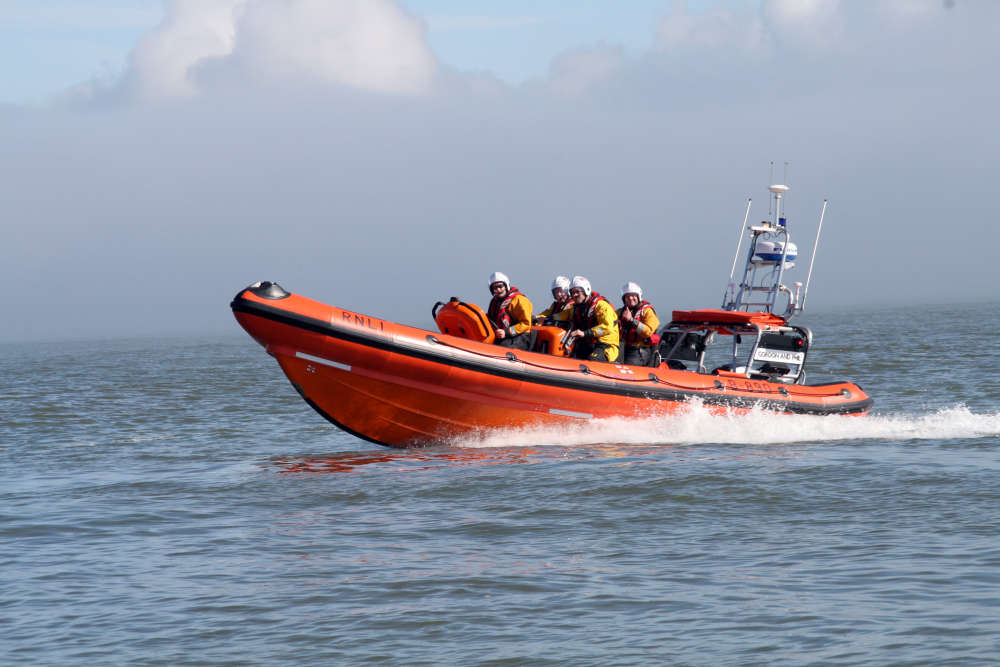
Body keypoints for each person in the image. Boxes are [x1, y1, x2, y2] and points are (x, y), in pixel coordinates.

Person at [566, 276, 620, 362]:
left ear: (586, 290)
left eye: (577, 292)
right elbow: (563, 315)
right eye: (572, 293)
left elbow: (607, 328)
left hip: (606, 346)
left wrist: (584, 333)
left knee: (593, 360)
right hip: (589, 344)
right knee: (570, 359)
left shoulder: (601, 306)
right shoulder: (576, 308)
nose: (574, 295)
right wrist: (545, 318)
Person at [486, 271, 533, 350]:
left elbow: (526, 324)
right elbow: (490, 318)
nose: (498, 289)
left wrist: (506, 332)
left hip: (520, 336)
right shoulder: (495, 301)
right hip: (501, 335)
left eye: (500, 286)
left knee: (502, 348)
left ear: (506, 286)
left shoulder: (519, 300)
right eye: (495, 288)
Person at [617, 281, 661, 366]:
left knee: (628, 365)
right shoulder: (620, 312)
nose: (630, 298)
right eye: (627, 296)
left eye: (633, 296)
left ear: (638, 296)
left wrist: (631, 320)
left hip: (639, 351)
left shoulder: (647, 311)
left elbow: (648, 332)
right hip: (623, 348)